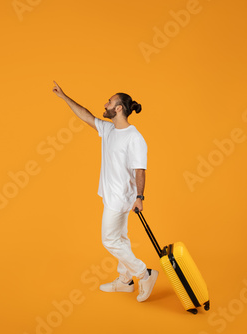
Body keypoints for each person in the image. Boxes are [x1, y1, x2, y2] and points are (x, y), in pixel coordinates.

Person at [52, 81, 158, 302]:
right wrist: (64, 97)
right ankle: (125, 281)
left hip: (121, 198)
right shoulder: (109, 129)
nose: (106, 104)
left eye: (109, 102)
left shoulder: (134, 137)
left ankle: (144, 274)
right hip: (110, 194)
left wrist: (139, 197)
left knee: (109, 239)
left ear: (118, 108)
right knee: (121, 237)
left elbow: (140, 170)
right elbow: (86, 115)